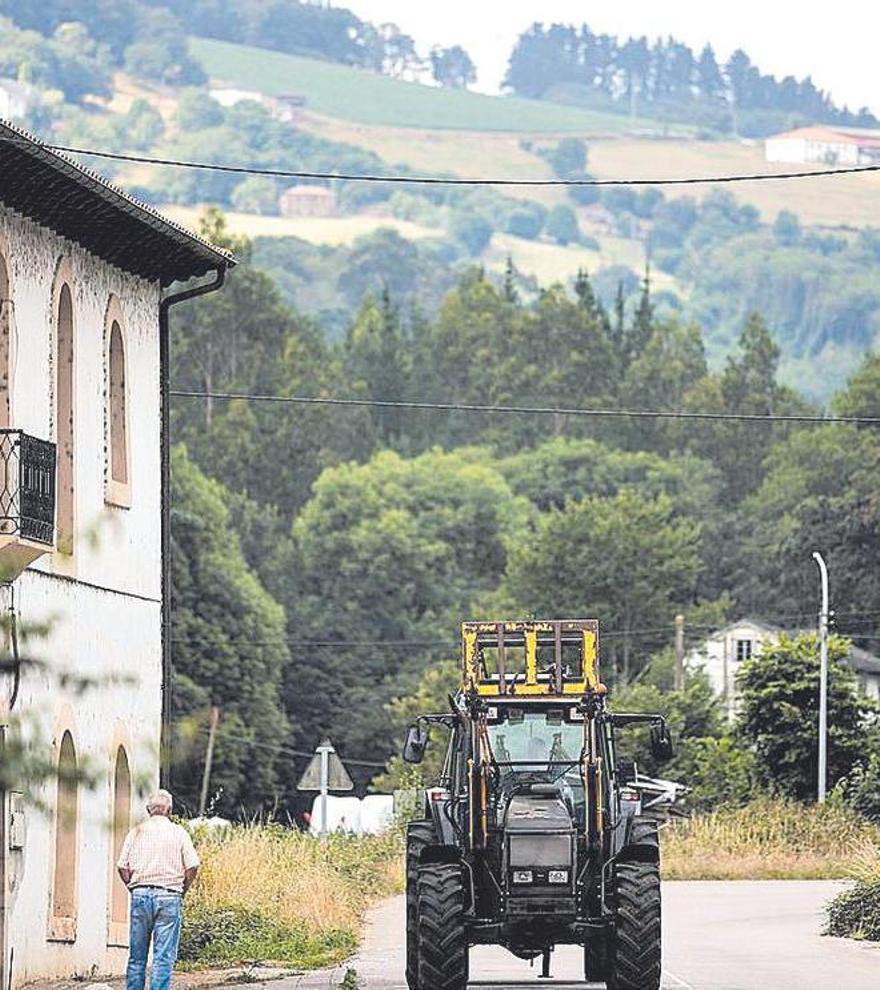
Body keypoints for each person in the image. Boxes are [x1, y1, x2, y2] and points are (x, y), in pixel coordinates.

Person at [117, 789, 200, 990]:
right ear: (170, 810)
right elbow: (193, 865)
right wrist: (182, 889)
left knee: (137, 956)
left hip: (140, 894)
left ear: (148, 810)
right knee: (163, 956)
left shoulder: (135, 832)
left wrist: (133, 887)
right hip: (170, 895)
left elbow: (122, 866)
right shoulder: (179, 833)